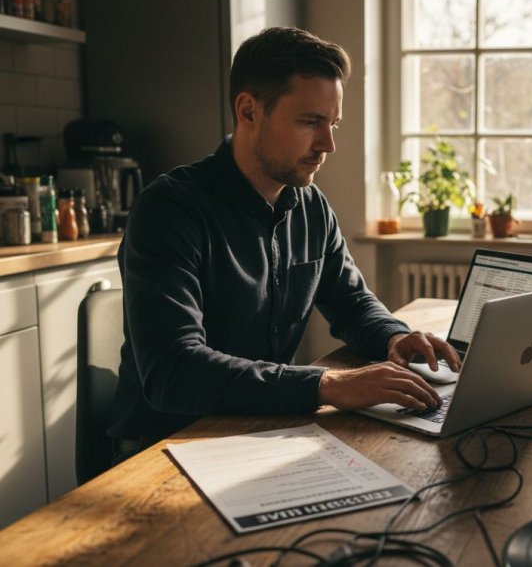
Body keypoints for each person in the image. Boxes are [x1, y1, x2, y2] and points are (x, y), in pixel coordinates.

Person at [109, 27, 460, 465]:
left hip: (261, 427)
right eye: (310, 122)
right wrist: (327, 384)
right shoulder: (168, 210)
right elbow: (173, 371)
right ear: (249, 111)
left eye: (332, 124)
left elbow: (351, 302)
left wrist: (396, 336)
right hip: (165, 446)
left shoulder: (311, 206)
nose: (328, 145)